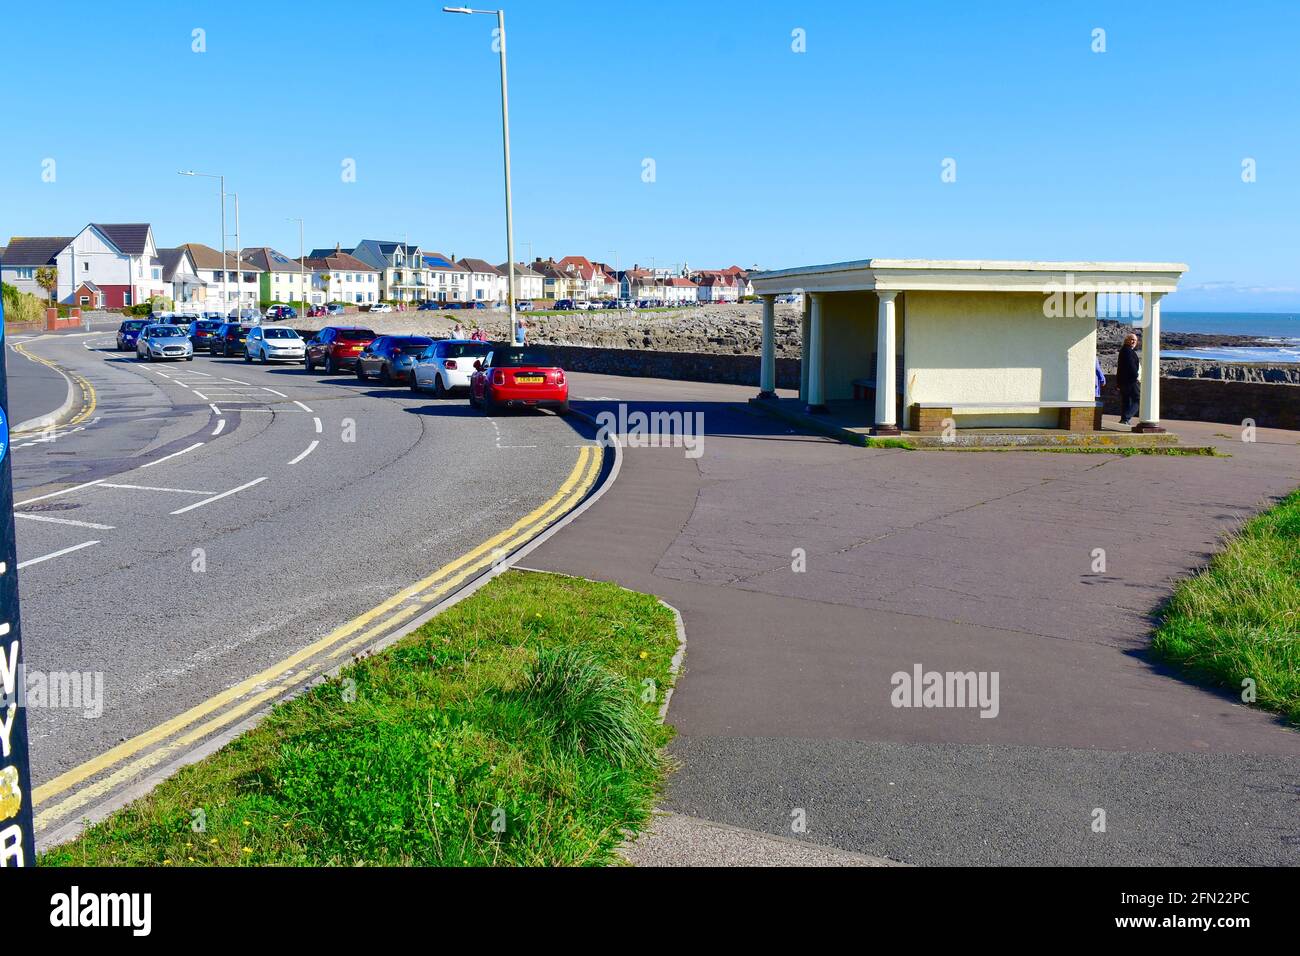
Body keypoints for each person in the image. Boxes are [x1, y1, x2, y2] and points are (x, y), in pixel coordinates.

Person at [1117, 332, 1141, 425]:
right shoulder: (1127, 351)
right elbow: (1131, 366)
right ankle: (1126, 418)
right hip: (1130, 381)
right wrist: (1135, 376)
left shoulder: (1124, 350)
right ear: (1126, 340)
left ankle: (1124, 419)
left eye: (1135, 340)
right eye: (1131, 339)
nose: (1133, 342)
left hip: (1124, 381)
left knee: (1126, 400)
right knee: (1138, 399)